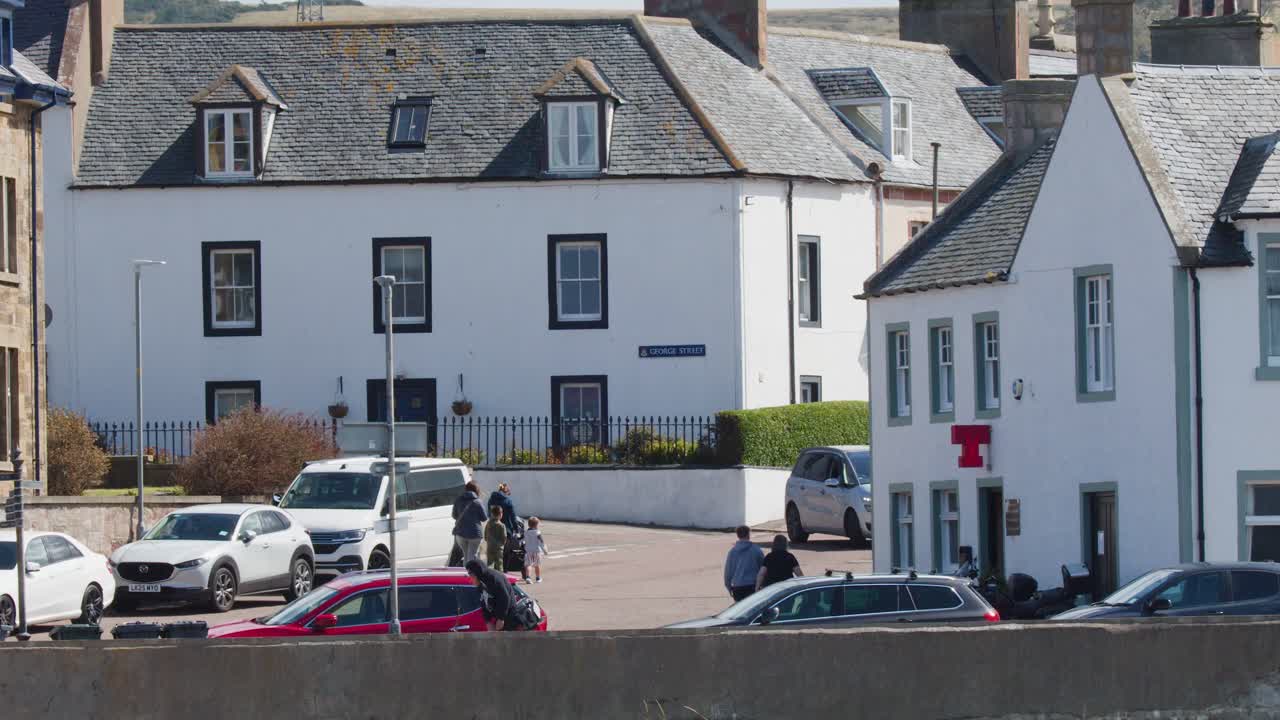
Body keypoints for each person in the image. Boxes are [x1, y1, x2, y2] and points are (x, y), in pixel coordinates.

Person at [488, 482, 527, 580]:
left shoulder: (491, 500)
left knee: (493, 552)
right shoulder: (507, 501)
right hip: (506, 529)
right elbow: (513, 517)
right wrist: (516, 529)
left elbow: (489, 513)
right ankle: (503, 573)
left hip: (492, 528)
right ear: (506, 492)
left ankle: (493, 572)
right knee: (505, 553)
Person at [466, 559, 515, 631]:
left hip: (509, 616)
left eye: (470, 574)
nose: (469, 577)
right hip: (496, 617)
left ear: (477, 572)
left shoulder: (494, 579)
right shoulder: (481, 582)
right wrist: (487, 621)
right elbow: (483, 601)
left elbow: (505, 598)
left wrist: (501, 618)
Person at [724, 525, 765, 602]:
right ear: (748, 534)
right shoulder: (756, 550)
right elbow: (763, 567)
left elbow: (728, 572)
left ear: (738, 535)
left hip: (737, 587)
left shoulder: (732, 552)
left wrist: (729, 587)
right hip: (752, 586)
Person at [452, 481, 487, 564]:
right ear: (476, 490)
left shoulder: (458, 500)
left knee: (466, 555)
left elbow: (454, 515)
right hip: (475, 533)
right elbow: (484, 518)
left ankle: (466, 573)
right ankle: (470, 575)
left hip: (460, 533)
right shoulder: (478, 502)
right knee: (472, 556)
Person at [524, 517, 548, 584]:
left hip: (528, 551)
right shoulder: (537, 533)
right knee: (537, 565)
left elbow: (522, 540)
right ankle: (538, 578)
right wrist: (545, 550)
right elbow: (541, 542)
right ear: (536, 525)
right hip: (537, 551)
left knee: (528, 565)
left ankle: (528, 577)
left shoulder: (526, 532)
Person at [485, 506, 508, 572]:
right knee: (499, 564)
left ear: (492, 514)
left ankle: (489, 575)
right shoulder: (502, 525)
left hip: (490, 546)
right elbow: (504, 537)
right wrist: (503, 544)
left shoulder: (488, 523)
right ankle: (499, 576)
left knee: (490, 563)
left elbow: (485, 534)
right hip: (499, 548)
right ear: (501, 514)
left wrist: (488, 541)